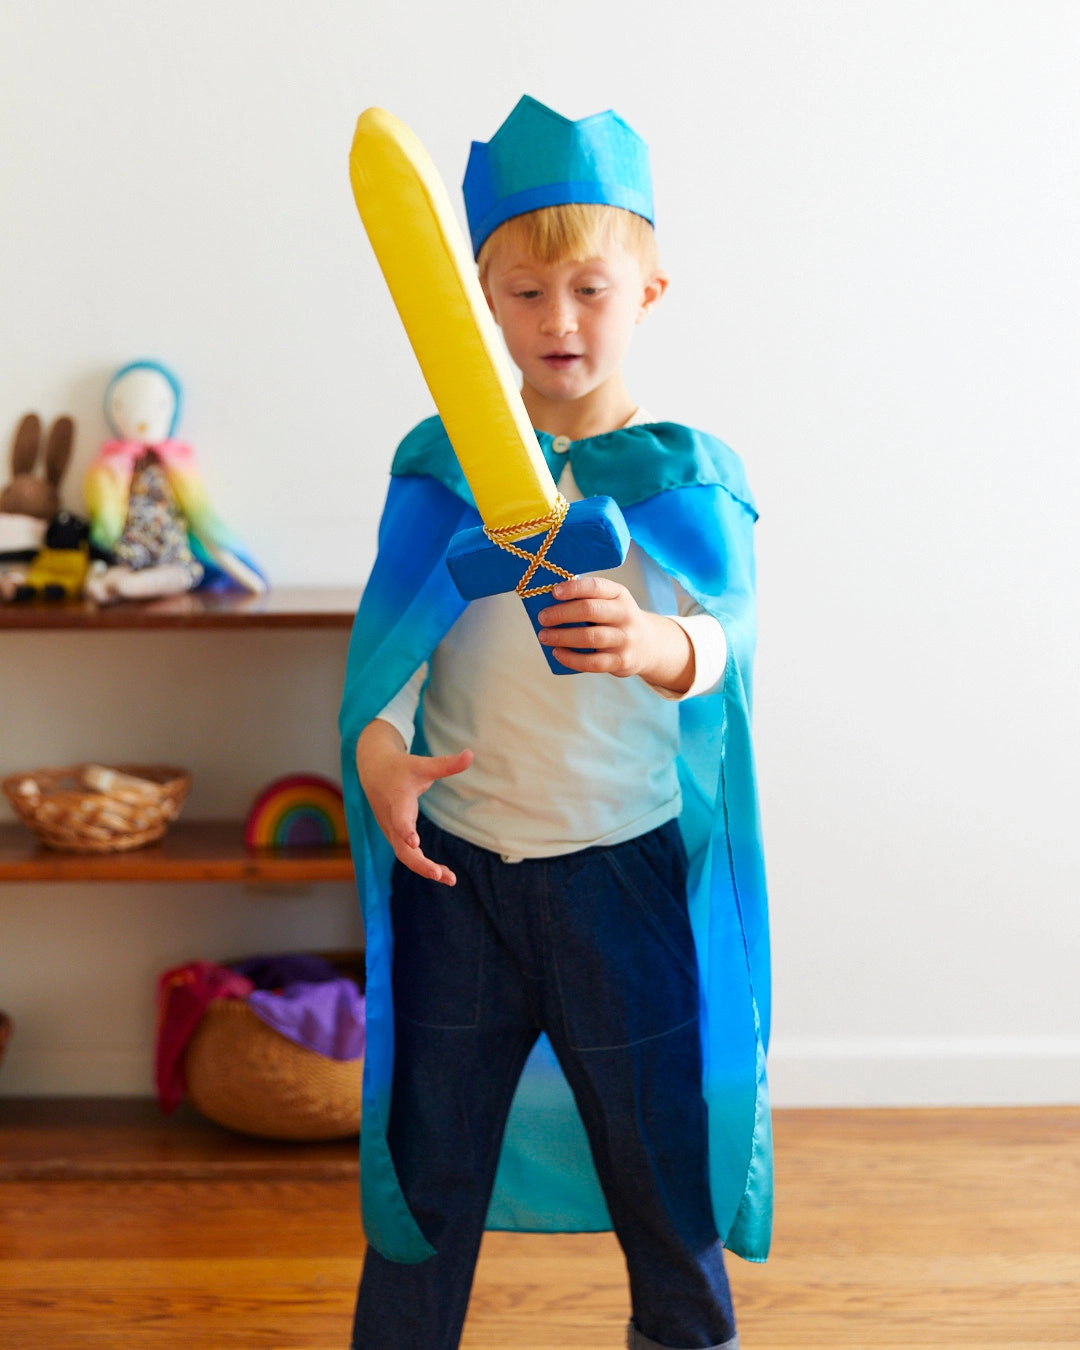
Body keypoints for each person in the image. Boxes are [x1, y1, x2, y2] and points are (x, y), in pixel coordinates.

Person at [340, 95, 772, 1350]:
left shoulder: (685, 474)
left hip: (620, 875)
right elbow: (393, 658)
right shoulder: (439, 471)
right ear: (481, 300)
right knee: (430, 1163)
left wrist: (653, 644)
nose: (560, 321)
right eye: (526, 294)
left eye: (590, 289)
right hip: (459, 872)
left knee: (659, 1156)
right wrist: (381, 755)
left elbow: (730, 640)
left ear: (650, 291)